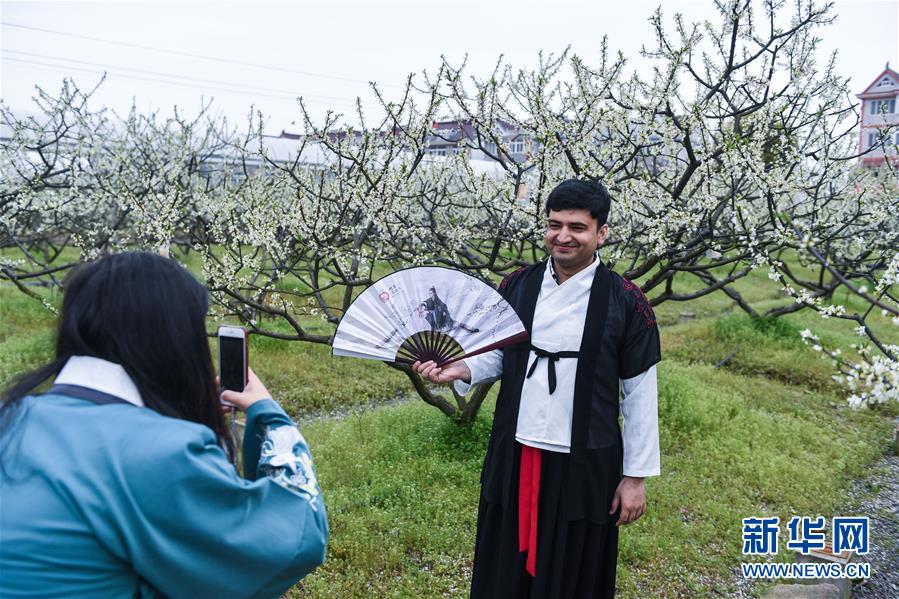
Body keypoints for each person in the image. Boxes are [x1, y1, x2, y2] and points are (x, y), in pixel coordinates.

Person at [0, 252, 328, 598]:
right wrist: (268, 414)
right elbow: (294, 537)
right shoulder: (160, 451)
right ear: (172, 340)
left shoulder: (12, 415)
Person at [415, 179, 661, 598]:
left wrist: (634, 477)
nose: (563, 236)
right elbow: (503, 354)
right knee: (504, 561)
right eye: (554, 224)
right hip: (517, 448)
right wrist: (460, 368)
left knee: (574, 565)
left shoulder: (626, 301)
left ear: (601, 233)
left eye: (577, 227)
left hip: (586, 457)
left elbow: (639, 392)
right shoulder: (518, 285)